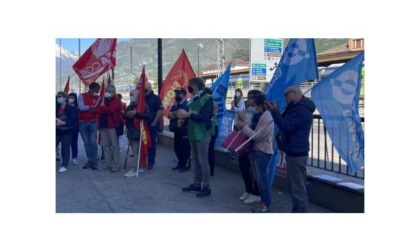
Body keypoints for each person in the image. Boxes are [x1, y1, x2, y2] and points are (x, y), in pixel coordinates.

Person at [265, 86, 316, 213]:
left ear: (295, 93)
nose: (285, 98)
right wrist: (275, 109)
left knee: (298, 189)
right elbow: (282, 119)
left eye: (286, 95)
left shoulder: (302, 111)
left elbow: (287, 126)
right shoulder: (294, 107)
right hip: (293, 151)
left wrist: (275, 113)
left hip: (297, 153)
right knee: (294, 187)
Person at [176, 77, 214, 198]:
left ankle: (206, 186)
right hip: (192, 132)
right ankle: (197, 183)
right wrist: (183, 120)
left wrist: (189, 115)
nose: (189, 87)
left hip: (203, 132)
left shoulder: (207, 98)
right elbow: (189, 114)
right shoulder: (191, 100)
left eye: (191, 85)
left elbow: (205, 117)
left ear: (197, 86)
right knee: (195, 160)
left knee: (203, 160)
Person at [236, 93, 274, 213]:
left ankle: (266, 203)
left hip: (262, 152)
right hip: (254, 150)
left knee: (262, 179)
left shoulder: (266, 117)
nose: (253, 108)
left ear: (259, 105)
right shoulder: (257, 115)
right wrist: (243, 123)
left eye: (254, 105)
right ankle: (262, 200)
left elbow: (258, 136)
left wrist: (244, 128)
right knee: (258, 178)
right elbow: (251, 129)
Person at [236, 90, 262, 204]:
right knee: (243, 167)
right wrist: (239, 123)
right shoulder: (246, 110)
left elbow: (257, 130)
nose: (249, 100)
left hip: (254, 144)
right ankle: (248, 190)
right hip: (244, 142)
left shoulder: (260, 112)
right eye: (248, 97)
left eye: (252, 97)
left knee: (254, 170)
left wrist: (245, 125)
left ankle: (256, 193)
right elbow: (240, 125)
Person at [124, 89, 152, 177]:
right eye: (130, 94)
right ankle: (138, 166)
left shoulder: (143, 105)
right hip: (130, 129)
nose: (130, 96)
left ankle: (135, 168)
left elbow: (149, 116)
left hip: (138, 130)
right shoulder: (131, 105)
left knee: (136, 151)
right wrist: (128, 115)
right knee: (134, 149)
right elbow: (125, 115)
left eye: (132, 95)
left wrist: (136, 114)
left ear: (137, 96)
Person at [96, 84, 123, 172]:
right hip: (103, 126)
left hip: (112, 126)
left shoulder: (117, 101)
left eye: (110, 91)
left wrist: (102, 107)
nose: (108, 92)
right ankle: (108, 165)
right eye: (107, 91)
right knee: (106, 146)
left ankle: (116, 165)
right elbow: (97, 110)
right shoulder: (103, 100)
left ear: (114, 92)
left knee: (114, 146)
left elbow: (111, 110)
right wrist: (102, 107)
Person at [78, 82, 101, 170]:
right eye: (96, 90)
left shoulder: (99, 98)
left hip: (93, 121)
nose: (98, 92)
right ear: (91, 89)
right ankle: (90, 160)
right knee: (86, 142)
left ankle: (95, 161)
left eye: (98, 90)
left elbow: (99, 108)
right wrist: (92, 107)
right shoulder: (82, 96)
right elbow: (81, 107)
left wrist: (91, 108)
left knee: (93, 142)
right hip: (82, 122)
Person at [168, 89, 190, 172]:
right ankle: (180, 163)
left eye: (179, 93)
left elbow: (182, 116)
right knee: (177, 147)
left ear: (184, 95)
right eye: (176, 93)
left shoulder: (187, 104)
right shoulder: (175, 104)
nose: (176, 95)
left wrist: (174, 114)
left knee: (185, 148)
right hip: (176, 129)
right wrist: (175, 114)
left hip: (184, 129)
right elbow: (169, 114)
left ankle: (185, 164)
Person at [56, 91, 77, 173]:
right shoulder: (56, 107)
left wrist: (64, 122)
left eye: (60, 97)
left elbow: (73, 118)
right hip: (56, 130)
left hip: (66, 130)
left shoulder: (70, 108)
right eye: (58, 97)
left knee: (65, 148)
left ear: (65, 98)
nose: (59, 98)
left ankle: (64, 165)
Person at [144, 82, 163, 169]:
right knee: (143, 142)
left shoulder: (156, 98)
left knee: (152, 143)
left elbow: (159, 111)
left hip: (151, 124)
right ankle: (143, 159)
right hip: (142, 124)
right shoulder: (141, 98)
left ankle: (151, 161)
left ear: (150, 88)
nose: (144, 91)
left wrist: (154, 122)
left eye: (145, 89)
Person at [204, 87, 218, 176]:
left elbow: (212, 116)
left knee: (209, 150)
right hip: (206, 128)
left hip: (211, 128)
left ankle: (210, 170)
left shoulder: (213, 104)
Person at [67, 92, 79, 165]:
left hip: (74, 127)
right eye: (69, 97)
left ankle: (74, 157)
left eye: (72, 98)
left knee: (74, 142)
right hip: (66, 127)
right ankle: (65, 158)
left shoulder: (77, 107)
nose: (70, 99)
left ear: (75, 99)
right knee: (65, 143)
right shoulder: (65, 106)